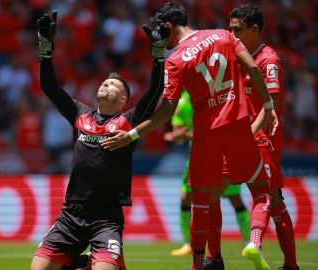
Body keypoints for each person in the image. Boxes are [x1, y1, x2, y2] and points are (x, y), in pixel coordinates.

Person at [101, 2, 279, 270]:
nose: (162, 37)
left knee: (200, 204)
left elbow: (167, 110)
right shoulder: (224, 35)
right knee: (261, 192)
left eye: (162, 31)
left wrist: (133, 134)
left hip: (206, 135)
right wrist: (268, 106)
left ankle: (199, 265)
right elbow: (253, 69)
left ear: (169, 26)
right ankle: (253, 241)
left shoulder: (175, 59)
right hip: (237, 125)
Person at [30, 10, 168, 270]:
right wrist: (45, 48)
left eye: (114, 85)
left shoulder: (129, 121)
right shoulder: (80, 114)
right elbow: (50, 87)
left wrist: (158, 54)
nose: (106, 85)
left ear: (123, 100)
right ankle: (84, 263)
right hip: (71, 214)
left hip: (106, 217)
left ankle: (98, 262)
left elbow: (155, 90)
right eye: (104, 82)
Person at [229, 4, 299, 270]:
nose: (232, 33)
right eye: (230, 28)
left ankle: (254, 244)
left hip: (262, 138)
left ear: (255, 29)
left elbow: (272, 104)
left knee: (265, 196)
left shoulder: (268, 59)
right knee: (276, 202)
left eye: (238, 29)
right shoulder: (240, 56)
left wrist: (250, 133)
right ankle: (291, 266)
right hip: (242, 138)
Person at [167, 91, 250, 257]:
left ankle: (248, 242)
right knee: (186, 197)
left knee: (234, 198)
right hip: (196, 157)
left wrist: (185, 135)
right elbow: (177, 135)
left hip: (221, 154)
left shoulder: (215, 96)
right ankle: (187, 244)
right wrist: (177, 136)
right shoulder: (182, 102)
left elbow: (214, 131)